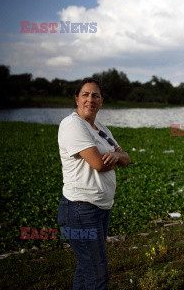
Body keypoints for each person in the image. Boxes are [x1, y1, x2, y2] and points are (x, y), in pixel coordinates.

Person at [57, 77, 130, 290]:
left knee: (86, 267)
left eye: (95, 95)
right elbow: (98, 163)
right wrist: (114, 157)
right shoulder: (72, 124)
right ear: (77, 99)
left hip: (100, 208)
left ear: (101, 100)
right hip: (80, 210)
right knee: (97, 275)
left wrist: (117, 157)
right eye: (86, 95)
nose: (91, 99)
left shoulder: (101, 128)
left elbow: (126, 158)